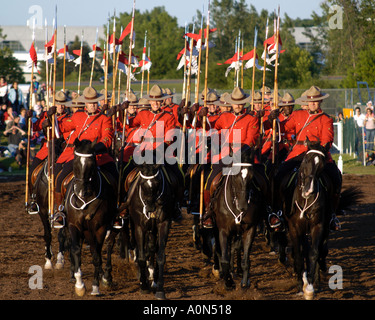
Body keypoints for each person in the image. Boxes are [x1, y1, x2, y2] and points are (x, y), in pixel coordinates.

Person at [270, 86, 342, 232]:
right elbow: (284, 128)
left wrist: (318, 151)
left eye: (316, 101)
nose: (313, 104)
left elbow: (327, 140)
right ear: (307, 102)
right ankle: (278, 212)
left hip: (318, 154)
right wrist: (273, 120)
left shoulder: (326, 119)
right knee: (279, 177)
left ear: (320, 102)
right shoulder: (298, 115)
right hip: (298, 154)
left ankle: (332, 214)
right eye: (310, 101)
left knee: (336, 177)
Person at [47, 86, 117, 228]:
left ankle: (117, 211)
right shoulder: (78, 117)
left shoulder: (104, 118)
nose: (92, 105)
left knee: (116, 177)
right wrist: (51, 117)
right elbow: (61, 128)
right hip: (79, 158)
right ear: (85, 104)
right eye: (90, 103)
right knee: (60, 178)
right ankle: (60, 210)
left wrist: (93, 150)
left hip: (98, 156)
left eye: (95, 102)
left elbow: (107, 139)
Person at [201, 87, 261, 228]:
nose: (238, 105)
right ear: (231, 104)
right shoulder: (224, 117)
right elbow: (211, 129)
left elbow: (250, 140)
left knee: (261, 181)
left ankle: (268, 210)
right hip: (224, 155)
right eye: (235, 103)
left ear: (244, 104)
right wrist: (202, 117)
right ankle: (209, 211)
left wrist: (238, 151)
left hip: (244, 157)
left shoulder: (251, 119)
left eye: (240, 103)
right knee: (211, 181)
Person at [26, 91, 71, 215]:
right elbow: (35, 127)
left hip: (62, 149)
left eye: (63, 104)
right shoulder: (46, 114)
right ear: (53, 103)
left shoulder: (68, 118)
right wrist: (28, 118)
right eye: (58, 104)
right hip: (46, 148)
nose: (60, 107)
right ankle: (33, 198)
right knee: (32, 170)